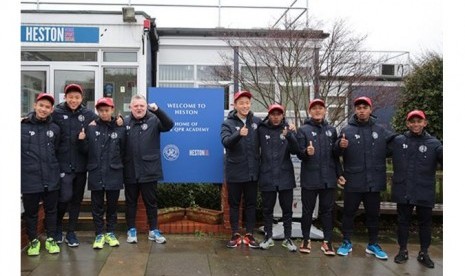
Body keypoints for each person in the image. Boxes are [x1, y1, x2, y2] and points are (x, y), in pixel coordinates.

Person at [334, 96, 395, 260]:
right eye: (359, 107)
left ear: (370, 109)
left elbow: (394, 143)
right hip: (353, 181)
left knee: (373, 215)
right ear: (355, 110)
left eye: (365, 107)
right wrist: (340, 145)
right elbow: (335, 152)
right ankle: (346, 242)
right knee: (348, 213)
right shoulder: (347, 130)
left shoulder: (380, 130)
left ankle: (373, 244)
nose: (362, 110)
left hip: (373, 182)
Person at [390, 110, 442, 268]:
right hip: (403, 189)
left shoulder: (434, 143)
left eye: (419, 121)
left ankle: (424, 253)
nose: (416, 124)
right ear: (407, 123)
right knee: (403, 221)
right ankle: (402, 250)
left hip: (424, 190)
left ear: (425, 123)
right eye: (412, 121)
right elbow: (376, 151)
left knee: (425, 223)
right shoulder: (398, 141)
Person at [296, 99, 345, 255]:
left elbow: (335, 156)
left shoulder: (332, 130)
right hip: (310, 178)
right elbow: (299, 153)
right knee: (307, 211)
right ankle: (305, 239)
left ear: (325, 111)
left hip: (328, 178)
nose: (317, 111)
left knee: (327, 211)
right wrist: (306, 153)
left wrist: (340, 174)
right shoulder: (303, 130)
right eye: (314, 108)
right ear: (310, 112)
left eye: (320, 108)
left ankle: (328, 242)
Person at [123, 94, 174, 244]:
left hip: (149, 170)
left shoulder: (154, 120)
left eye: (142, 106)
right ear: (130, 107)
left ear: (146, 107)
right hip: (130, 169)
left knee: (151, 202)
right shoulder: (124, 122)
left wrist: (157, 110)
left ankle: (153, 230)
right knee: (130, 202)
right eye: (136, 106)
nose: (139, 108)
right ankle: (131, 230)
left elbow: (169, 124)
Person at [53, 83, 98, 247]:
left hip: (80, 165)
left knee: (76, 201)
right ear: (65, 97)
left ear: (81, 98)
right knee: (64, 198)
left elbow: (104, 121)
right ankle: (58, 227)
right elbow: (40, 114)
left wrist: (118, 121)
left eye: (77, 97)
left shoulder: (88, 114)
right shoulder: (56, 112)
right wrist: (26, 117)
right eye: (70, 97)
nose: (73, 100)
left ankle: (71, 233)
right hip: (63, 165)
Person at [77, 97, 126, 249]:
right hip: (96, 172)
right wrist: (81, 141)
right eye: (101, 110)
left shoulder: (120, 128)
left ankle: (110, 232)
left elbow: (124, 150)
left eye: (107, 110)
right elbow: (85, 151)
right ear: (97, 111)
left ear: (112, 109)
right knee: (96, 207)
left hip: (114, 172)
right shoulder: (91, 128)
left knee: (112, 206)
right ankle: (99, 234)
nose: (104, 113)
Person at [21, 93, 61, 256]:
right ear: (35, 106)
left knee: (51, 211)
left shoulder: (55, 129)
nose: (44, 109)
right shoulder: (21, 126)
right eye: (41, 105)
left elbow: (56, 151)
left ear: (51, 110)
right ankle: (33, 241)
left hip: (51, 178)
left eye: (47, 107)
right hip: (30, 179)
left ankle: (51, 239)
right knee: (31, 213)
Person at [221, 90, 261, 248]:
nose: (245, 105)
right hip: (235, 172)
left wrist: (287, 127)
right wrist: (239, 133)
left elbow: (272, 128)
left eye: (247, 102)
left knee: (251, 204)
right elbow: (225, 142)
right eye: (241, 103)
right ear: (235, 105)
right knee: (235, 204)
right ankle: (235, 234)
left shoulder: (257, 121)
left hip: (252, 172)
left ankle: (250, 234)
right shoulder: (228, 123)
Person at [257, 104, 299, 252]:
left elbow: (296, 150)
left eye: (278, 114)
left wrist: (290, 135)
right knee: (267, 209)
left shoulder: (288, 130)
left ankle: (288, 238)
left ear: (282, 115)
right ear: (269, 115)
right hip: (267, 176)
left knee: (287, 210)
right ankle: (268, 237)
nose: (276, 117)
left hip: (285, 177)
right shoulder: (261, 129)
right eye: (273, 114)